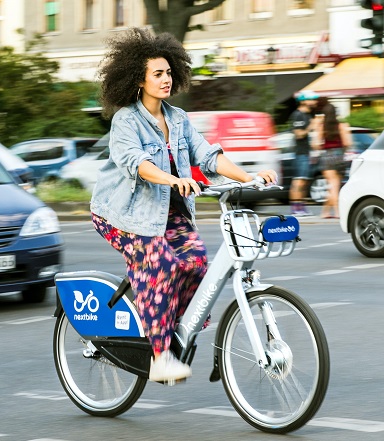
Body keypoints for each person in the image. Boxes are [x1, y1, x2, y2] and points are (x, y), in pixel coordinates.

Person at [90, 28, 277, 383]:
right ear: (138, 79)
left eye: (168, 72)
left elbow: (208, 156)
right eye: (157, 73)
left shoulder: (177, 119)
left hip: (165, 211)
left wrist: (248, 177)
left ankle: (164, 320)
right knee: (159, 263)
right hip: (122, 214)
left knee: (194, 260)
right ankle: (160, 357)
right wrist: (172, 178)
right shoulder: (125, 120)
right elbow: (136, 162)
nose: (165, 79)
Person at [314, 98, 350, 219]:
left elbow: (315, 144)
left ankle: (337, 211)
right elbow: (347, 142)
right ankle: (325, 212)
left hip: (327, 155)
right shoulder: (342, 125)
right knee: (335, 185)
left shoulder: (321, 126)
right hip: (340, 155)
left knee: (333, 185)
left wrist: (320, 148)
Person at [288, 91, 320, 216]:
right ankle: (295, 208)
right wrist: (311, 126)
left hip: (308, 153)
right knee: (298, 181)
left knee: (305, 181)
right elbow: (299, 134)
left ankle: (301, 206)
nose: (315, 102)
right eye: (312, 99)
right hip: (300, 153)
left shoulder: (308, 115)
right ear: (303, 101)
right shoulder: (298, 115)